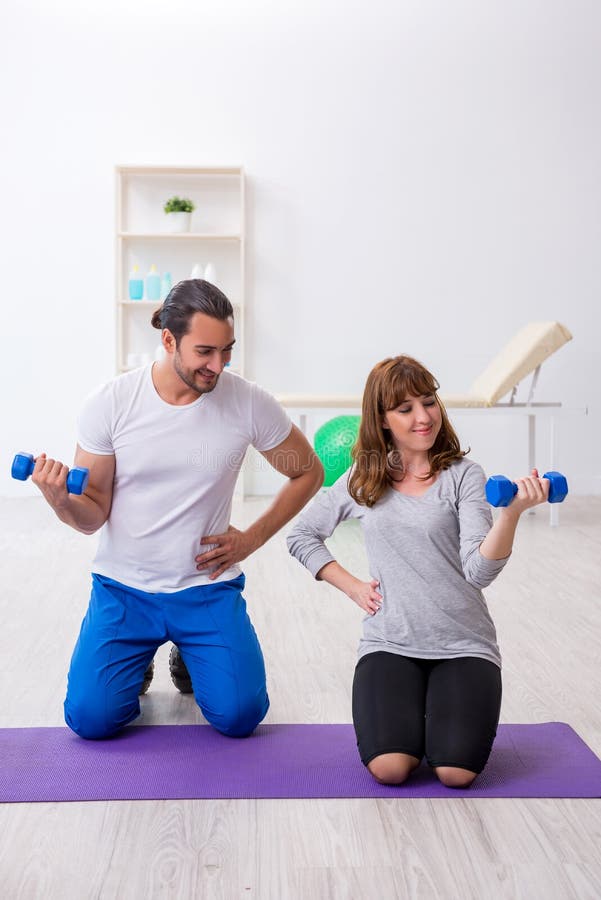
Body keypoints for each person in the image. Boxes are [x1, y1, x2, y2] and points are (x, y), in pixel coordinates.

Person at [31, 279, 323, 740]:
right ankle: (138, 655)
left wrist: (251, 538)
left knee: (240, 716)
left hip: (204, 589)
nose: (219, 365)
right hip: (124, 589)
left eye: (227, 350)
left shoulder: (247, 401)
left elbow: (307, 471)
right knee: (91, 720)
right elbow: (92, 516)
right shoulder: (111, 403)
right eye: (205, 351)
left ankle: (188, 653)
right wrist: (60, 500)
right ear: (168, 340)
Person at [287, 355, 551, 788]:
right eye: (405, 409)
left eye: (428, 402)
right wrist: (352, 586)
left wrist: (511, 515)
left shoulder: (464, 476)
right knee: (390, 769)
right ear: (382, 419)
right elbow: (301, 535)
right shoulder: (363, 478)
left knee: (455, 773)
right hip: (390, 643)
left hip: (463, 644)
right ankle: (418, 721)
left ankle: (437, 721)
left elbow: (479, 572)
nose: (423, 417)